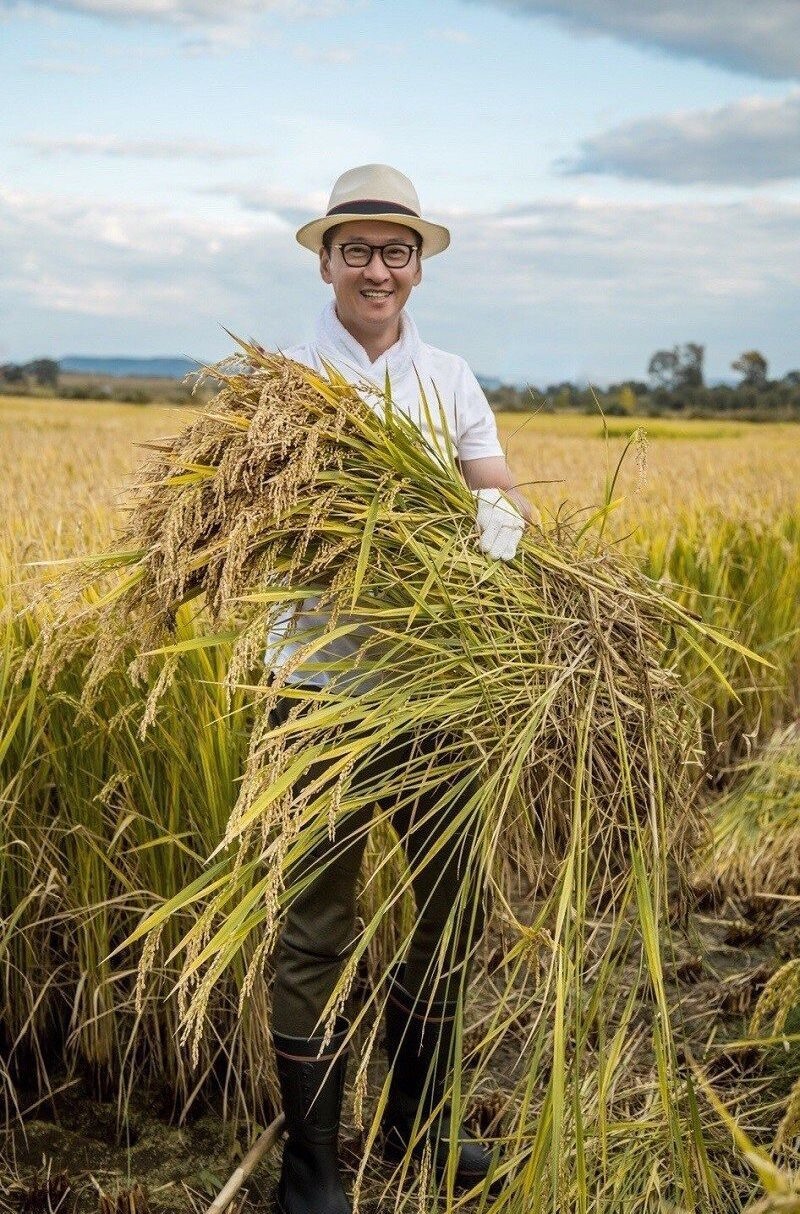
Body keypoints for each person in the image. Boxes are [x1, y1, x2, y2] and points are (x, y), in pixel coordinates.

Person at [265, 164, 533, 1214]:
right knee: (314, 925)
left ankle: (421, 1125)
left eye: (396, 250)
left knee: (450, 907)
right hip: (321, 695)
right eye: (357, 249)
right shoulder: (280, 378)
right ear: (326, 260)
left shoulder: (450, 377)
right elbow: (255, 532)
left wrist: (504, 536)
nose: (377, 268)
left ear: (417, 267)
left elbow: (493, 493)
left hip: (438, 694)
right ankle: (310, 1167)